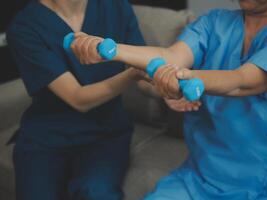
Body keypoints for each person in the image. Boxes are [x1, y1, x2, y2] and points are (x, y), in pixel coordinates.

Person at [69, 0, 267, 199]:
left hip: (265, 186)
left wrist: (183, 77)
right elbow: (170, 56)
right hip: (200, 176)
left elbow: (242, 81)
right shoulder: (214, 22)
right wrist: (108, 49)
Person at [5, 0, 175, 199]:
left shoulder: (116, 7)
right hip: (46, 138)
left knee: (98, 192)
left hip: (106, 134)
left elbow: (145, 79)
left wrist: (167, 90)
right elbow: (78, 98)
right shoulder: (25, 26)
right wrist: (132, 75)